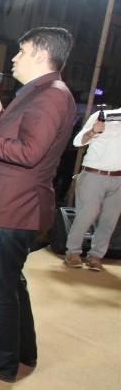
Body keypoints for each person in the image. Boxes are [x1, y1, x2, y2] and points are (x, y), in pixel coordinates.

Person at [0, 27, 76, 383]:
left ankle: (1, 359)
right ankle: (22, 350)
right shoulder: (42, 93)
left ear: (41, 53)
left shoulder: (50, 96)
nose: (14, 58)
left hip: (11, 206)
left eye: (21, 51)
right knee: (9, 282)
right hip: (13, 205)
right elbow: (22, 138)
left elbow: (28, 153)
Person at [63, 107, 121, 271]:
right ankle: (72, 252)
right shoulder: (103, 116)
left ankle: (96, 256)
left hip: (119, 178)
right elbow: (77, 141)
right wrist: (93, 131)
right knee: (85, 216)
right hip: (94, 174)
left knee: (109, 221)